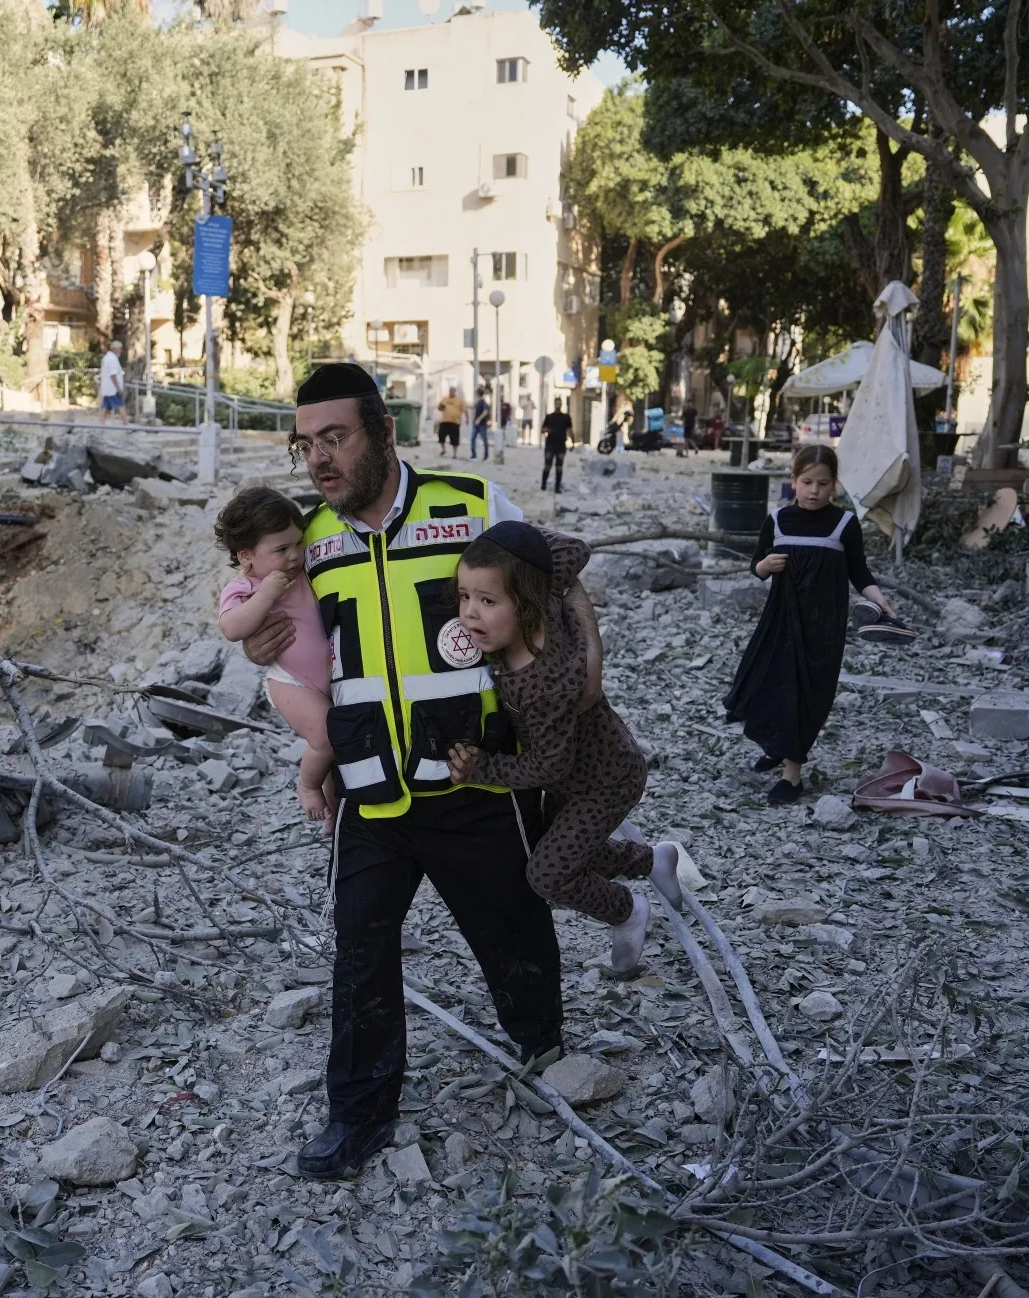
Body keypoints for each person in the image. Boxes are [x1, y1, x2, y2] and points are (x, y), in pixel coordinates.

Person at [238, 362, 602, 1180]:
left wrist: (585, 678)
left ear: (383, 431)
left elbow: (561, 580)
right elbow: (282, 642)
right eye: (306, 446)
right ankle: (358, 1113)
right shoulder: (309, 542)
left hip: (475, 777)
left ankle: (541, 1043)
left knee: (512, 926)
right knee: (360, 945)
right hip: (370, 785)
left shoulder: (469, 507)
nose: (320, 460)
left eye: (335, 438)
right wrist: (270, 664)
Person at [444, 522, 681, 974]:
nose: (469, 614)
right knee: (568, 848)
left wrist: (483, 769)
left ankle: (628, 913)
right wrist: (504, 541)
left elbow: (549, 764)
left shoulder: (543, 681)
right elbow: (573, 547)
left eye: (488, 601)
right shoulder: (535, 585)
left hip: (605, 781)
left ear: (527, 602)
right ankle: (655, 860)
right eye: (464, 596)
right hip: (584, 773)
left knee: (549, 874)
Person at [724, 445, 905, 805]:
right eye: (806, 482)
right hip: (780, 621)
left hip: (824, 626)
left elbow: (858, 572)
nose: (813, 491)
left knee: (808, 694)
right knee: (768, 682)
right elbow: (755, 565)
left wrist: (880, 601)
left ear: (834, 485)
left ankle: (793, 776)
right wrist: (765, 567)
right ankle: (777, 746)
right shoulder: (777, 520)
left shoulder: (844, 524)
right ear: (793, 481)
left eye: (823, 483)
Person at [213, 487, 336, 827]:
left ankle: (334, 815)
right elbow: (231, 627)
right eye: (281, 549)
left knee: (338, 752)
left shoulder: (300, 573)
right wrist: (265, 595)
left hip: (327, 677)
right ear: (245, 556)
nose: (295, 555)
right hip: (291, 681)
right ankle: (307, 786)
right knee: (325, 740)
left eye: (298, 543)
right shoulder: (247, 587)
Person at [539, 401, 573, 492]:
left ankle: (557, 487)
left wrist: (573, 442)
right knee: (547, 466)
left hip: (561, 445)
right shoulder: (549, 417)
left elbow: (570, 430)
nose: (558, 405)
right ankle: (543, 485)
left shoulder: (566, 417)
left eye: (559, 403)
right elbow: (542, 430)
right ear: (554, 404)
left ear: (561, 404)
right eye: (556, 403)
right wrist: (546, 430)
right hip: (550, 444)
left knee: (559, 467)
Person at [98, 340, 125, 423]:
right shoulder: (113, 359)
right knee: (121, 406)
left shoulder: (106, 358)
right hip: (113, 389)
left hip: (107, 388)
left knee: (105, 407)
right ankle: (126, 424)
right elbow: (113, 375)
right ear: (115, 349)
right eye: (120, 349)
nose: (121, 351)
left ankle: (101, 424)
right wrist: (119, 388)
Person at [436, 387, 463, 457]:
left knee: (455, 439)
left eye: (453, 391)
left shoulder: (459, 400)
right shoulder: (445, 399)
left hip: (455, 422)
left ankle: (455, 454)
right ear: (449, 392)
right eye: (451, 391)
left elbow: (464, 410)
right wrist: (440, 407)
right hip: (444, 421)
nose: (452, 392)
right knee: (441, 436)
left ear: (455, 392)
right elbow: (439, 408)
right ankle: (443, 449)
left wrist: (467, 419)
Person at [470, 390, 492, 460]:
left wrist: (478, 419)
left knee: (484, 440)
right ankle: (473, 455)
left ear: (477, 394)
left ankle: (486, 455)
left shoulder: (483, 402)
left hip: (482, 424)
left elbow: (485, 412)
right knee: (473, 439)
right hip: (476, 424)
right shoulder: (478, 402)